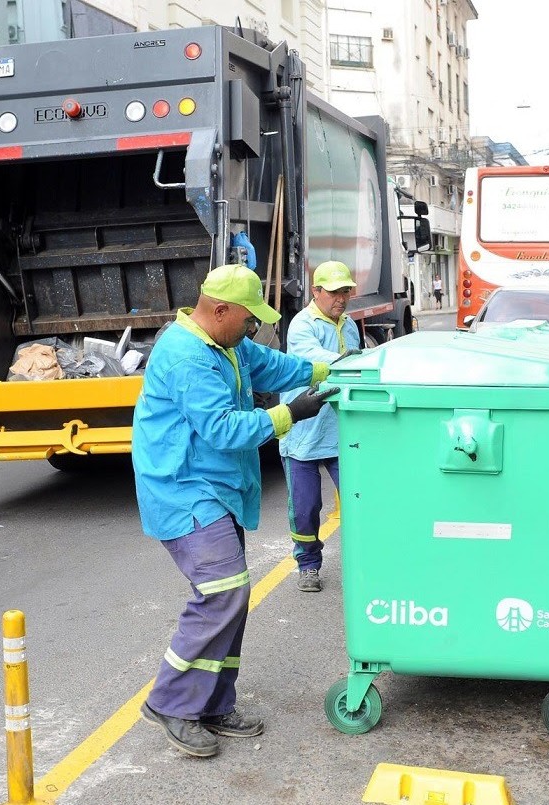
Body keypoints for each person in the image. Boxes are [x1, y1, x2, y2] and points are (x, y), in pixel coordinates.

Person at [132, 264, 337, 758]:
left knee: (231, 598)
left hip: (214, 488)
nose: (255, 327)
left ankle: (212, 703)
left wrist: (328, 369)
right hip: (184, 489)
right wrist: (292, 413)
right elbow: (223, 428)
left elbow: (271, 365)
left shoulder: (227, 344)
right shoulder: (187, 357)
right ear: (219, 309)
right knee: (223, 591)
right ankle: (171, 703)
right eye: (250, 318)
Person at [279, 261, 362, 592]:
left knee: (360, 501)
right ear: (316, 292)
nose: (341, 299)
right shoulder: (303, 326)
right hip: (303, 435)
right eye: (334, 292)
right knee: (305, 508)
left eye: (345, 291)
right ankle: (308, 565)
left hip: (341, 434)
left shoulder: (349, 324)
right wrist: (358, 360)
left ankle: (366, 560)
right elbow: (321, 362)